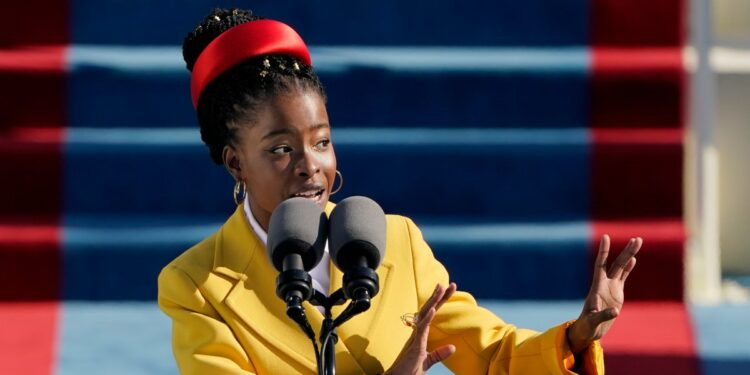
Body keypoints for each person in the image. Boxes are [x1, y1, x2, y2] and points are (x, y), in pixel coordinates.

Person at [158, 8, 642, 375]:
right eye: (281, 149)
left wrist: (577, 337)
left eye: (322, 141)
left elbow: (494, 355)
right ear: (235, 162)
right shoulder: (198, 286)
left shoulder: (396, 242)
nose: (311, 166)